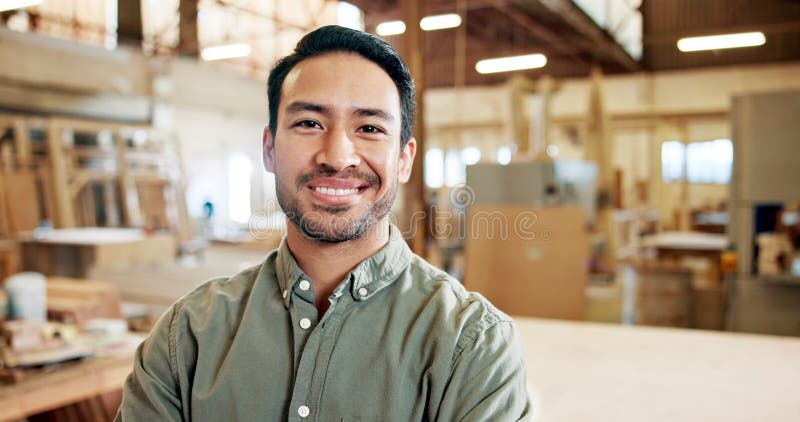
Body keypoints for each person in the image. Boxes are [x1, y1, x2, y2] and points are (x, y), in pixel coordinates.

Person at [117, 25, 531, 421]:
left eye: (369, 128)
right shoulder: (186, 338)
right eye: (309, 123)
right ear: (269, 149)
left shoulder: (472, 346)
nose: (337, 156)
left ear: (403, 159)